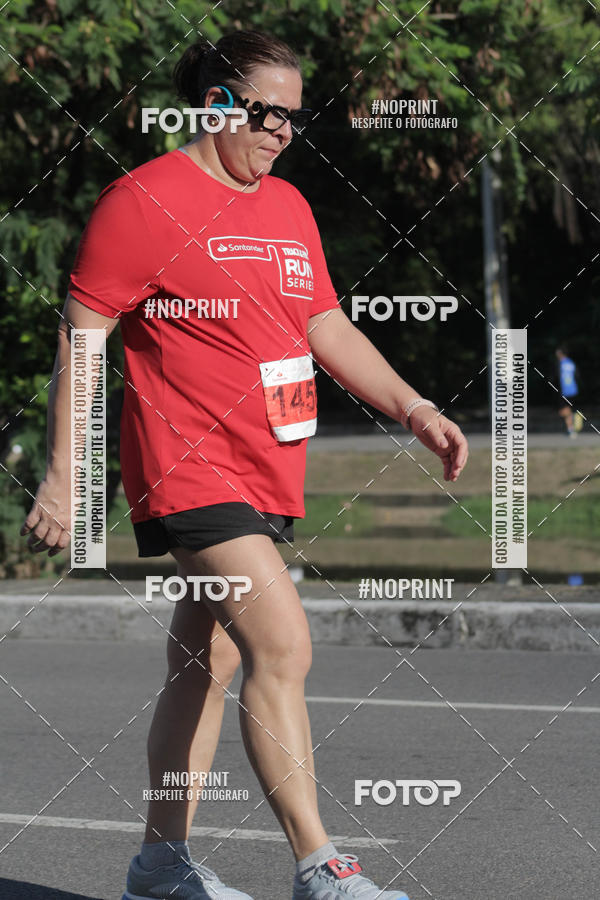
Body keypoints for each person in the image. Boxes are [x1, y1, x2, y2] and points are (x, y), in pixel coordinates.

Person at [20, 30, 468, 900]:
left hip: (268, 471)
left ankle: (158, 866)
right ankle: (320, 866)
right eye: (270, 114)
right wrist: (62, 476)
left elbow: (323, 327)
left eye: (296, 119)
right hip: (186, 470)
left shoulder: (288, 208)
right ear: (218, 104)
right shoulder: (141, 202)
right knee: (282, 643)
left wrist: (413, 407)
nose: (284, 134)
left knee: (208, 665)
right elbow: (82, 346)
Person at [555, 347, 581, 437]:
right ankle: (573, 423)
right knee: (568, 410)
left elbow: (556, 377)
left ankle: (571, 428)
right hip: (573, 390)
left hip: (564, 391)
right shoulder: (571, 362)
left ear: (560, 354)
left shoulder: (560, 364)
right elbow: (577, 376)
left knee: (564, 411)